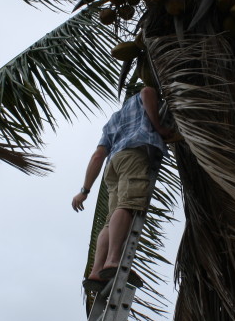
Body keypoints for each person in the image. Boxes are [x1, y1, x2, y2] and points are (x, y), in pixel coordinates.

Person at [72, 85, 172, 291]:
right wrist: (160, 129)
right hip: (133, 155)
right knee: (127, 205)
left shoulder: (113, 120)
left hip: (113, 165)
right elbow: (147, 91)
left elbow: (98, 156)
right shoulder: (144, 96)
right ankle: (113, 260)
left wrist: (84, 191)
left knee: (110, 221)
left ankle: (96, 271)